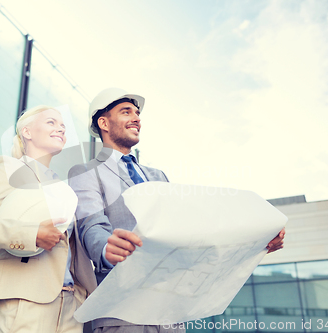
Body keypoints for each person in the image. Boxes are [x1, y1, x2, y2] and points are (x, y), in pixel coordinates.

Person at [68, 88, 285, 333]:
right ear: (103, 122)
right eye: (126, 111)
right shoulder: (85, 172)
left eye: (137, 113)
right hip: (123, 311)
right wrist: (108, 247)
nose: (137, 118)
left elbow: (191, 231)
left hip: (169, 309)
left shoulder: (157, 176)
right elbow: (91, 226)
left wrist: (257, 241)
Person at [0, 105, 96, 333]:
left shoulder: (61, 187)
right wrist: (32, 234)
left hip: (70, 305)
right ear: (27, 132)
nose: (61, 129)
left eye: (63, 126)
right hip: (26, 300)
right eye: (51, 122)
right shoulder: (9, 168)